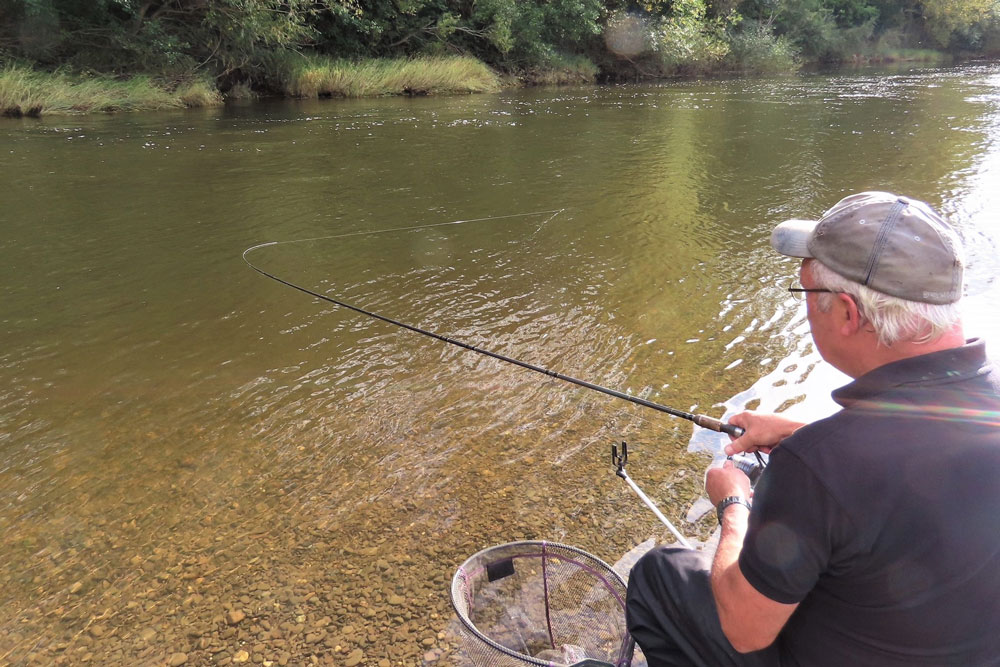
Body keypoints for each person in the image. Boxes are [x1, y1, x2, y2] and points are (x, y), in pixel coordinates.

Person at [625, 191, 1000, 666]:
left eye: (807, 294)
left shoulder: (819, 465)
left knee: (661, 575)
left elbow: (744, 630)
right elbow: (931, 454)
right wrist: (799, 430)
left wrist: (733, 503)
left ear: (847, 312)